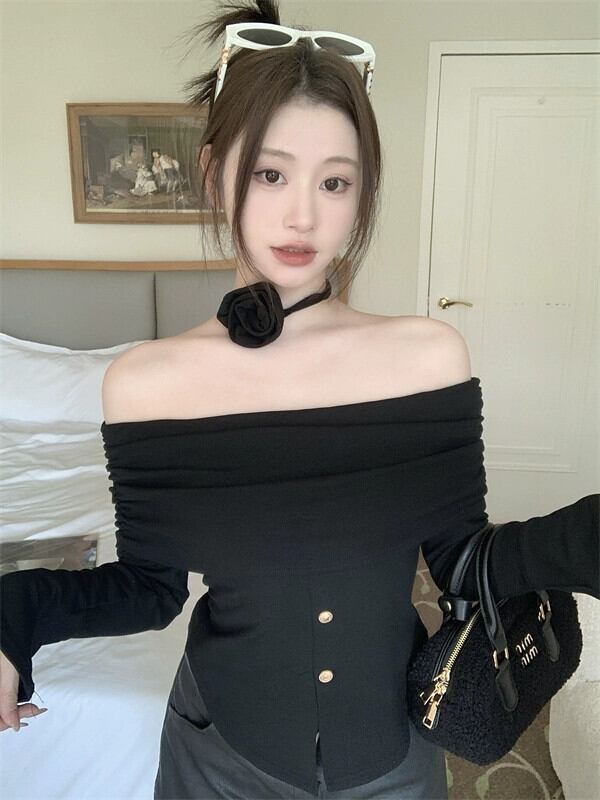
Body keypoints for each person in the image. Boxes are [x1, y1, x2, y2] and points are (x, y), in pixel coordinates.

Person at [1, 2, 598, 798]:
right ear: (214, 172)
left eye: (335, 181)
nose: (303, 214)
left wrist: (585, 538)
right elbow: (147, 589)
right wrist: (12, 613)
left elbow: (461, 561)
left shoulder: (425, 359)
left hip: (394, 754)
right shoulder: (147, 383)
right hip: (218, 754)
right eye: (270, 173)